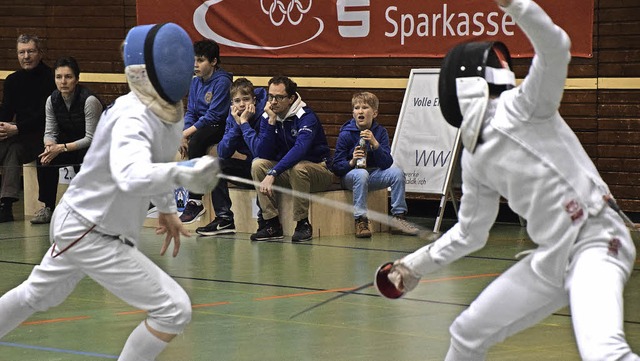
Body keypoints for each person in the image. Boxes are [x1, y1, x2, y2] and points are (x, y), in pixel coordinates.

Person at [377, 0, 639, 360]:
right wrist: (413, 266)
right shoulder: (474, 157)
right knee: (466, 333)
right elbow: (470, 233)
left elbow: (556, 47)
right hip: (552, 258)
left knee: (604, 351)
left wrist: (514, 4)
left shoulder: (525, 105)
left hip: (596, 241)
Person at [0, 23, 220, 360]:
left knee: (37, 295)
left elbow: (156, 159)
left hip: (86, 223)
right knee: (173, 309)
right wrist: (185, 172)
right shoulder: (131, 117)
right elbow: (132, 175)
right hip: (91, 230)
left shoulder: (168, 108)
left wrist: (166, 208)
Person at [250, 76, 334, 243]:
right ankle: (271, 224)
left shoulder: (306, 116)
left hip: (319, 171)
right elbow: (263, 152)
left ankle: (302, 223)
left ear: (291, 99)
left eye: (279, 97)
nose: (273, 102)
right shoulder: (269, 116)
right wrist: (271, 122)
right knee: (258, 164)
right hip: (289, 172)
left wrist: (274, 172)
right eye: (270, 96)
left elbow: (300, 149)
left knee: (298, 168)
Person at [332, 92, 418, 238]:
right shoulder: (346, 134)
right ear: (353, 113)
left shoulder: (380, 132)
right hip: (351, 176)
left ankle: (399, 219)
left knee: (397, 173)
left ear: (375, 113)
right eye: (356, 108)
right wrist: (351, 161)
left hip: (373, 175)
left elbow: (386, 164)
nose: (360, 111)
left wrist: (375, 144)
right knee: (361, 173)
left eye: (365, 107)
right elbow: (336, 167)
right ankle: (361, 220)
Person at [31, 56, 103, 224]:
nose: (63, 81)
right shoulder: (52, 100)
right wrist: (49, 146)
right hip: (70, 145)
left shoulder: (89, 101)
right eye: (59, 77)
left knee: (86, 156)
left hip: (96, 148)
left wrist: (61, 148)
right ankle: (48, 207)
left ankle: (90, 208)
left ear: (77, 79)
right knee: (43, 158)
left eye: (68, 77)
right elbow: (50, 131)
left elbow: (92, 139)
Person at [195, 77, 267, 236]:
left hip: (267, 170)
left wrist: (245, 124)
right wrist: (236, 124)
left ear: (254, 100)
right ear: (232, 103)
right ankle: (224, 219)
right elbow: (223, 152)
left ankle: (265, 220)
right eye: (237, 100)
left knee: (258, 163)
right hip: (249, 169)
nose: (242, 104)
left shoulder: (264, 115)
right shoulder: (233, 116)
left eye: (246, 99)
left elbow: (260, 152)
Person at [0, 34, 56, 222]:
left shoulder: (51, 78)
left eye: (30, 51)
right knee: (12, 148)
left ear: (40, 53)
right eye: (21, 52)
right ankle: (5, 206)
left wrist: (17, 129)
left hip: (44, 134)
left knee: (14, 148)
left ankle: (6, 205)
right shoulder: (12, 80)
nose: (26, 56)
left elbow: (45, 116)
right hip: (20, 135)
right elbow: (6, 112)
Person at [179, 39, 232, 224]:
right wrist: (184, 132)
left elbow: (214, 116)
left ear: (214, 62)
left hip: (220, 126)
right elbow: (191, 111)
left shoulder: (223, 82)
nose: (195, 65)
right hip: (202, 126)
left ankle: (195, 200)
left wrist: (186, 135)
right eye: (193, 60)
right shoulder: (195, 82)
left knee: (197, 141)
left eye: (200, 60)